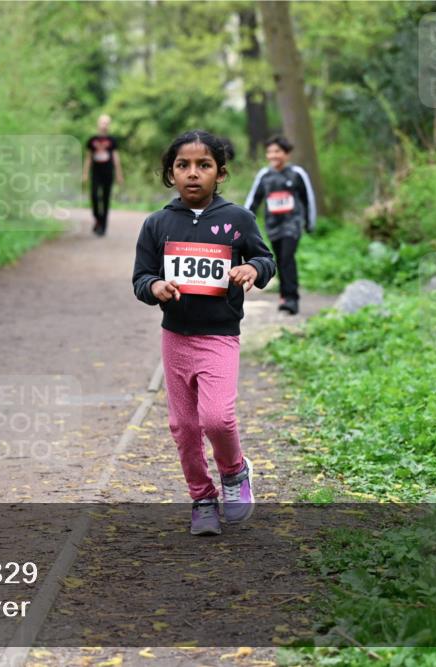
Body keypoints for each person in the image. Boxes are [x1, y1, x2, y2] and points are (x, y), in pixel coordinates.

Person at [132, 130, 275, 536]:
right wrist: (155, 287)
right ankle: (202, 498)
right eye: (183, 165)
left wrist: (252, 269)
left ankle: (234, 472)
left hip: (219, 336)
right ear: (170, 173)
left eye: (204, 165)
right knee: (184, 427)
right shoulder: (157, 224)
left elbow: (265, 259)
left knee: (217, 418)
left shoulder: (238, 219)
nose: (193, 173)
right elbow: (141, 277)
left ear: (220, 173)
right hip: (176, 337)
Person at [244, 135, 317, 315]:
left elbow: (308, 199)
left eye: (277, 151)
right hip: (273, 226)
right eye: (269, 152)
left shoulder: (297, 173)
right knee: (280, 260)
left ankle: (291, 298)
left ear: (286, 154)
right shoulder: (264, 175)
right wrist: (243, 223)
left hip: (292, 224)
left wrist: (310, 223)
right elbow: (253, 201)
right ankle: (284, 296)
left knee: (287, 258)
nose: (273, 155)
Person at [83, 114, 124, 236]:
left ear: (109, 125)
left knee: (106, 198)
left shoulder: (112, 140)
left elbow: (116, 157)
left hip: (108, 172)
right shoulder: (92, 140)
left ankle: (103, 226)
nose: (104, 125)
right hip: (96, 173)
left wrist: (119, 174)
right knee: (94, 196)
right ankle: (98, 219)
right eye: (102, 122)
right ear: (98, 124)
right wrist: (85, 173)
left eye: (106, 123)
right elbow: (88, 158)